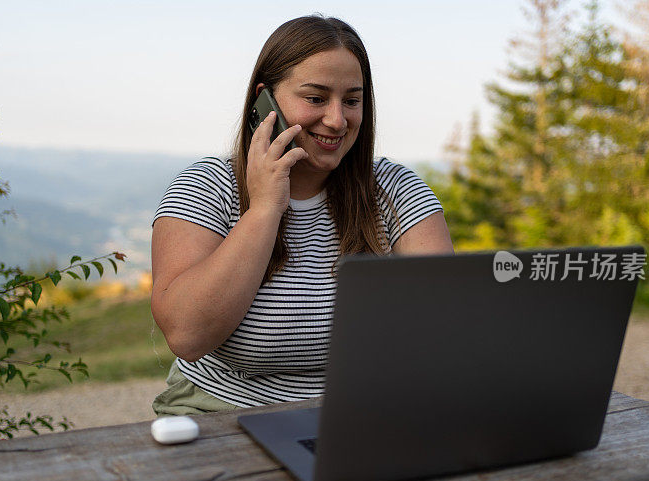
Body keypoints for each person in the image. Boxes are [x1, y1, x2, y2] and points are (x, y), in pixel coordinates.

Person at [151, 15, 454, 416]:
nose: (337, 120)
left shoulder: (395, 189)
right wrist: (264, 210)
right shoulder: (207, 186)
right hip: (221, 413)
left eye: (352, 100)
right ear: (265, 100)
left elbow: (450, 321)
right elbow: (187, 335)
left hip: (364, 412)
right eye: (315, 98)